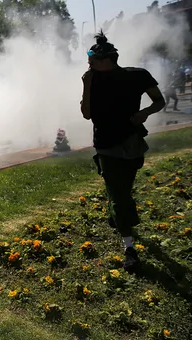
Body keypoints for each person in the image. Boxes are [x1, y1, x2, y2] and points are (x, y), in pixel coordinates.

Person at [81, 31, 165, 272]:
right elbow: (87, 113)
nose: (89, 67)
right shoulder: (92, 80)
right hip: (106, 146)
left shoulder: (138, 76)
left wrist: (145, 113)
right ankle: (129, 248)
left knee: (123, 191)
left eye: (93, 62)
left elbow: (159, 101)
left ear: (107, 59)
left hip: (132, 144)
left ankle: (116, 214)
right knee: (119, 196)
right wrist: (86, 85)